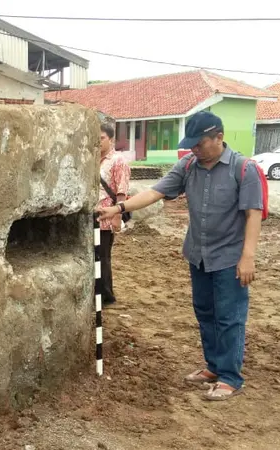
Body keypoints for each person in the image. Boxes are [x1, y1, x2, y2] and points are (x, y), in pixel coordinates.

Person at [96, 111, 263, 401]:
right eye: (192, 145)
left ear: (219, 138)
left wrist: (248, 256)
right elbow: (155, 192)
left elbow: (254, 214)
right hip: (198, 254)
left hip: (229, 258)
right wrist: (118, 209)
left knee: (229, 316)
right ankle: (213, 366)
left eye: (200, 144)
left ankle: (230, 377)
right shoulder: (188, 166)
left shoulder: (245, 169)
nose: (195, 150)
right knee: (205, 311)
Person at [98, 123, 131, 308]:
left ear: (111, 140)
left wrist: (117, 216)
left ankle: (106, 296)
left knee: (103, 257)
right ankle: (97, 293)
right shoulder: (93, 159)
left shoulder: (118, 161)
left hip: (107, 217)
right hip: (92, 218)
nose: (98, 141)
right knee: (93, 256)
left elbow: (121, 190)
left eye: (102, 138)